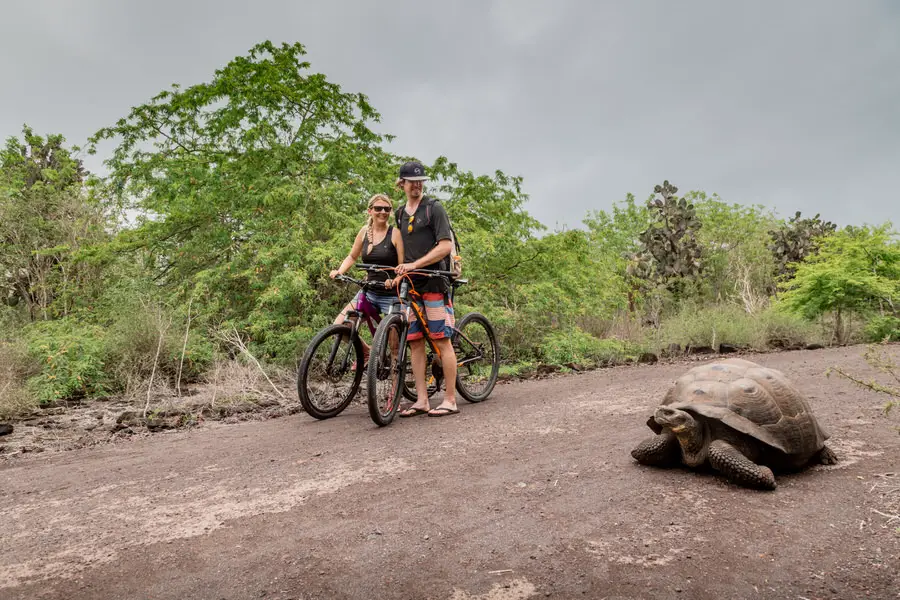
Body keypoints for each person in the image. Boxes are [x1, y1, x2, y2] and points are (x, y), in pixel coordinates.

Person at [393, 161, 460, 418]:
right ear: (402, 184)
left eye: (420, 181)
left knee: (441, 340)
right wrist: (399, 271)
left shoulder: (434, 209)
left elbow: (445, 245)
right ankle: (422, 400)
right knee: (415, 342)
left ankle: (450, 399)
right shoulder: (400, 213)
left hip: (433, 281)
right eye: (411, 181)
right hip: (411, 286)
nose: (417, 185)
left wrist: (415, 264)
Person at [330, 193, 404, 363]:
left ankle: (395, 386)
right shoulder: (364, 232)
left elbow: (402, 266)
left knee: (394, 346)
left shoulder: (395, 234)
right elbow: (352, 256)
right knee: (341, 325)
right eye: (378, 208)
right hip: (369, 291)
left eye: (387, 209)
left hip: (392, 295)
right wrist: (339, 271)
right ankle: (367, 353)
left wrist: (395, 280)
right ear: (370, 211)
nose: (383, 212)